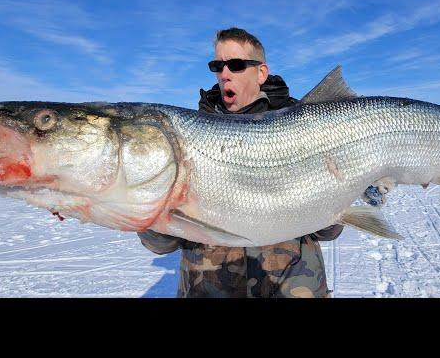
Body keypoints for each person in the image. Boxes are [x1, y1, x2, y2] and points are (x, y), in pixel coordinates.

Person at [137, 27, 344, 298]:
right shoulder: (185, 140)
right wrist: (149, 207)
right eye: (217, 65)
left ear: (261, 72)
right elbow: (161, 245)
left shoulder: (311, 130)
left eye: (235, 65)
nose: (224, 74)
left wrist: (347, 185)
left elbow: (329, 230)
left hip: (293, 287)